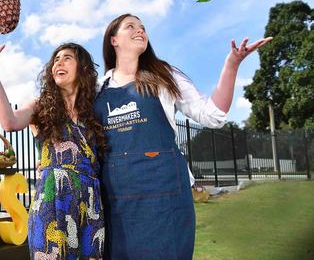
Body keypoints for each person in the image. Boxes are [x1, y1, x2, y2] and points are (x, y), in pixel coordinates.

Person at [93, 13, 272, 259]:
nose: (140, 30)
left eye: (143, 27)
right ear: (113, 40)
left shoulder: (164, 75)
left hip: (166, 198)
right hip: (117, 202)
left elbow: (213, 114)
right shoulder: (97, 89)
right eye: (131, 26)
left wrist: (232, 65)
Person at [0, 34, 107, 260]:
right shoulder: (41, 106)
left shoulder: (95, 113)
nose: (58, 63)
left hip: (91, 206)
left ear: (83, 68)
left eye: (67, 58)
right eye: (56, 59)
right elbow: (9, 122)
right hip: (53, 204)